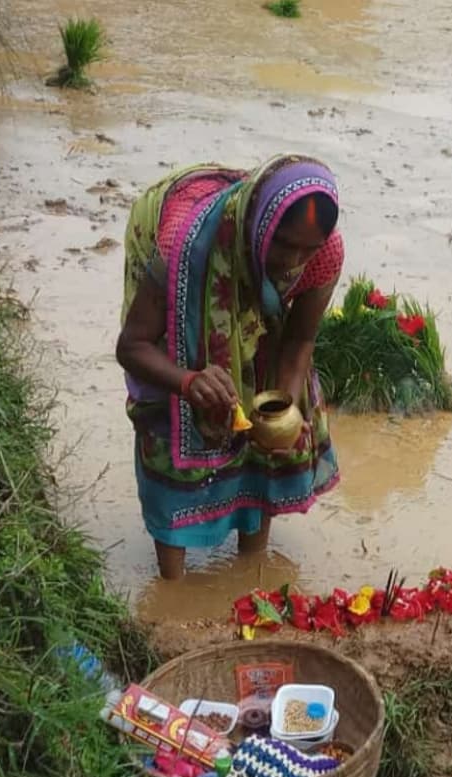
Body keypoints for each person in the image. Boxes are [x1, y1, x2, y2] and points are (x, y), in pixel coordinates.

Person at [116, 154, 343, 579]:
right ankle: (172, 583)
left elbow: (298, 341)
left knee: (266, 418)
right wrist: (187, 380)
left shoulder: (324, 253)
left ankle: (251, 569)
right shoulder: (182, 246)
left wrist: (284, 408)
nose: (292, 260)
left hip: (251, 295)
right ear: (260, 224)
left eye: (306, 249)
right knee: (173, 416)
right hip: (191, 268)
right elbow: (132, 346)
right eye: (283, 244)